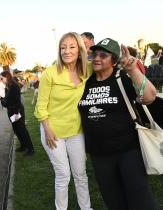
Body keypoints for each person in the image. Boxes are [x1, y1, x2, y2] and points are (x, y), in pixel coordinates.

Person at [78, 38, 157, 210]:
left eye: (103, 55)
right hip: (99, 154)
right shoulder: (85, 83)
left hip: (128, 151)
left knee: (140, 198)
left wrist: (132, 70)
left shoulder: (122, 78)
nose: (97, 58)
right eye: (94, 54)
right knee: (113, 201)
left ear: (114, 61)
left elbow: (150, 96)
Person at [34, 32, 92, 210]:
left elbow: (108, 67)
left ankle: (86, 207)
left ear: (80, 49)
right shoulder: (50, 73)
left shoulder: (87, 69)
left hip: (76, 131)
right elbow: (40, 106)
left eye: (71, 47)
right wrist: (48, 129)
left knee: (80, 174)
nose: (66, 51)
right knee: (63, 175)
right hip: (53, 131)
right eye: (63, 47)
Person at [0, 71, 35, 155]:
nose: (1, 80)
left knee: (22, 129)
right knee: (16, 130)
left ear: (7, 77)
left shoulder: (14, 86)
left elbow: (15, 101)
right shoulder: (7, 87)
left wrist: (3, 100)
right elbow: (7, 101)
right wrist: (3, 100)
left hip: (16, 111)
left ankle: (30, 149)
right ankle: (23, 146)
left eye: (2, 78)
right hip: (12, 111)